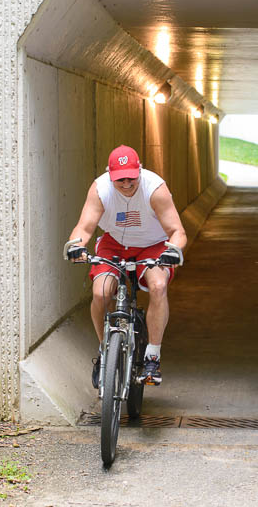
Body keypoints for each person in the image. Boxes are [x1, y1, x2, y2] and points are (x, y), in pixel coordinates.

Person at [66, 145, 186, 387]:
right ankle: (104, 352)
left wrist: (173, 250)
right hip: (115, 244)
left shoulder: (155, 188)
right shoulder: (101, 189)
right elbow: (85, 227)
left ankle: (152, 357)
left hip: (152, 244)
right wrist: (76, 245)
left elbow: (177, 231)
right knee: (101, 293)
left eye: (132, 177)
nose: (127, 184)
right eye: (120, 179)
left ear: (139, 169)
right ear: (110, 175)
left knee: (159, 286)